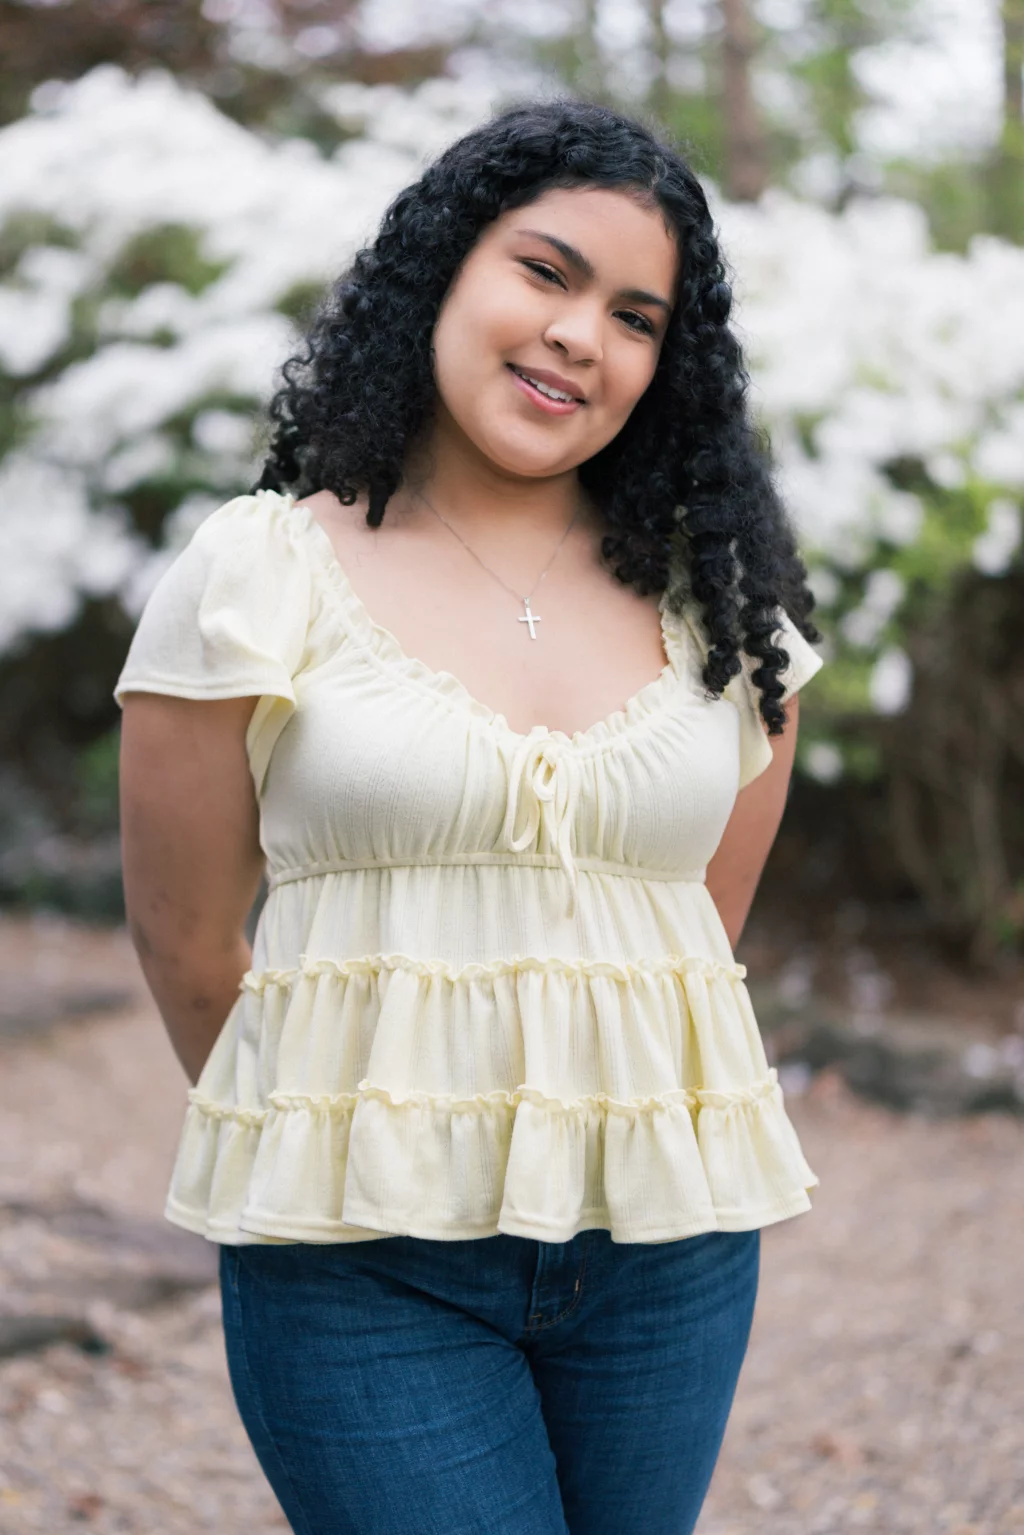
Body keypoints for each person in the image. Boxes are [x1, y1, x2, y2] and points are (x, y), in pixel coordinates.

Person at [114, 96, 825, 1535]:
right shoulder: (261, 571)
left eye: (636, 316)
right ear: (442, 266)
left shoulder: (725, 609)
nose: (581, 335)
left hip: (668, 1249)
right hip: (363, 1257)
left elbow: (696, 939)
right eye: (546, 273)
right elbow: (190, 948)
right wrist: (358, 1124)